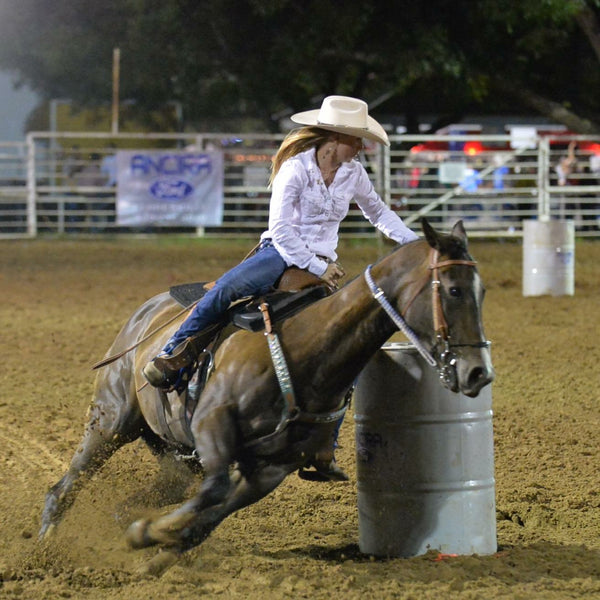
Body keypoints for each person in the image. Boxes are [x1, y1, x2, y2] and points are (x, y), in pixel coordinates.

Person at [143, 95, 419, 479]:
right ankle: (175, 352)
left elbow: (378, 212)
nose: (360, 146)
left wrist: (411, 242)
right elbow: (282, 231)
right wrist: (316, 267)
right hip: (281, 254)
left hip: (322, 263)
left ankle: (325, 444)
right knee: (223, 291)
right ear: (335, 137)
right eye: (355, 139)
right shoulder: (295, 169)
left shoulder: (353, 172)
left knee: (348, 338)